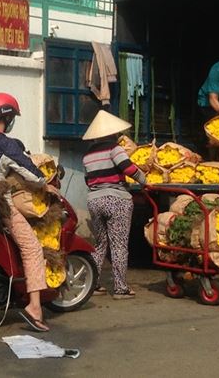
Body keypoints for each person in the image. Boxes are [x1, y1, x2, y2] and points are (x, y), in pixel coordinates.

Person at [0, 92, 56, 332]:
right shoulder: (5, 144)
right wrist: (45, 182)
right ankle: (34, 307)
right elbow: (29, 170)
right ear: (9, 118)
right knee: (32, 247)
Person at [81, 109, 146, 300]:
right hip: (116, 200)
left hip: (94, 200)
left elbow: (88, 180)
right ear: (113, 133)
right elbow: (129, 169)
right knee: (119, 245)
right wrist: (144, 180)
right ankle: (120, 288)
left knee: (100, 244)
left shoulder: (87, 155)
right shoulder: (115, 149)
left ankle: (93, 283)